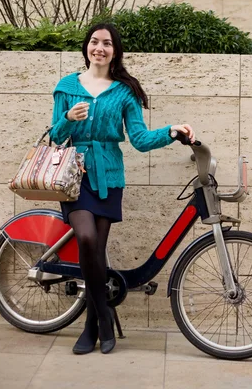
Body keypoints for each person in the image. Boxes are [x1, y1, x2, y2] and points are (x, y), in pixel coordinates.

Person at [50, 23, 195, 355]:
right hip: (75, 177)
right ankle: (102, 316)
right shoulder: (67, 87)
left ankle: (89, 327)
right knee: (85, 238)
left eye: (107, 43)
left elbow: (140, 140)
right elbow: (55, 137)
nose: (99, 48)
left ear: (115, 51)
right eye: (94, 42)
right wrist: (69, 118)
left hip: (110, 177)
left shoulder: (124, 92)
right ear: (86, 47)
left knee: (97, 253)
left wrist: (171, 131)